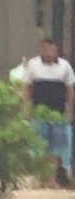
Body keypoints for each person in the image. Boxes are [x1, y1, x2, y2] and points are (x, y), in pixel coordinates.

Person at [22, 37, 75, 185]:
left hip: (57, 114)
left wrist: (70, 110)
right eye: (45, 49)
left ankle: (52, 179)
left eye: (52, 49)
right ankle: (39, 178)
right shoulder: (33, 65)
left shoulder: (65, 66)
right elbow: (27, 87)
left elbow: (70, 89)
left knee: (56, 147)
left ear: (56, 50)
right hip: (38, 113)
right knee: (38, 146)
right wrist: (26, 108)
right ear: (41, 49)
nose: (49, 52)